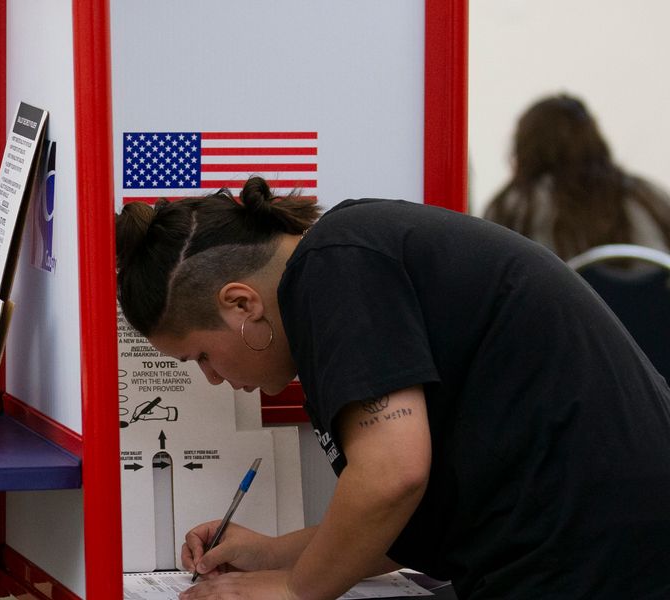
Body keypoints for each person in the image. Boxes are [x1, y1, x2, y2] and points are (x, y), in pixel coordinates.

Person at [114, 176, 670, 599]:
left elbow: (392, 477)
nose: (214, 378)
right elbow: (402, 512)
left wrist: (292, 589)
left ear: (241, 304)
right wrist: (270, 554)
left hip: (599, 554)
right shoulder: (346, 260)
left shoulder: (335, 268)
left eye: (203, 356)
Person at [483, 93, 670, 260]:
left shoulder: (514, 207)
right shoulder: (649, 198)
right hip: (645, 299)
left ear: (525, 146)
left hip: (558, 300)